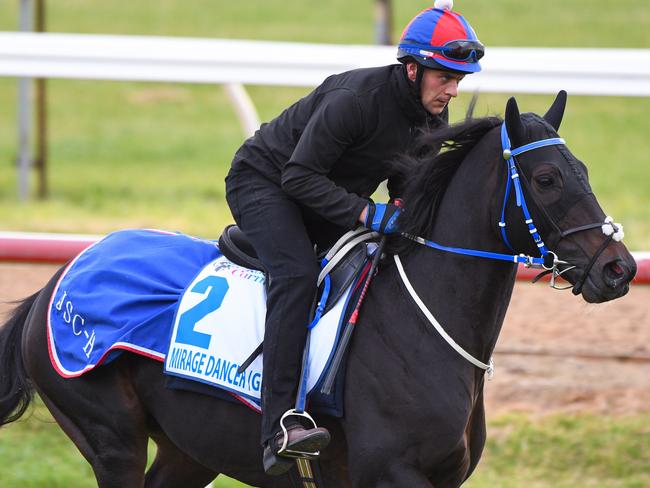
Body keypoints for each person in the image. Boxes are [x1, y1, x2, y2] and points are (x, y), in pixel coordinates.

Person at [224, 3, 484, 475]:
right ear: (412, 68)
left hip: (323, 194)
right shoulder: (356, 99)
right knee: (298, 273)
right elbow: (298, 176)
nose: (452, 89)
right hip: (265, 183)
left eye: (458, 80)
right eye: (444, 76)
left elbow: (409, 192)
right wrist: (368, 212)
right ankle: (278, 426)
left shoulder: (430, 120)